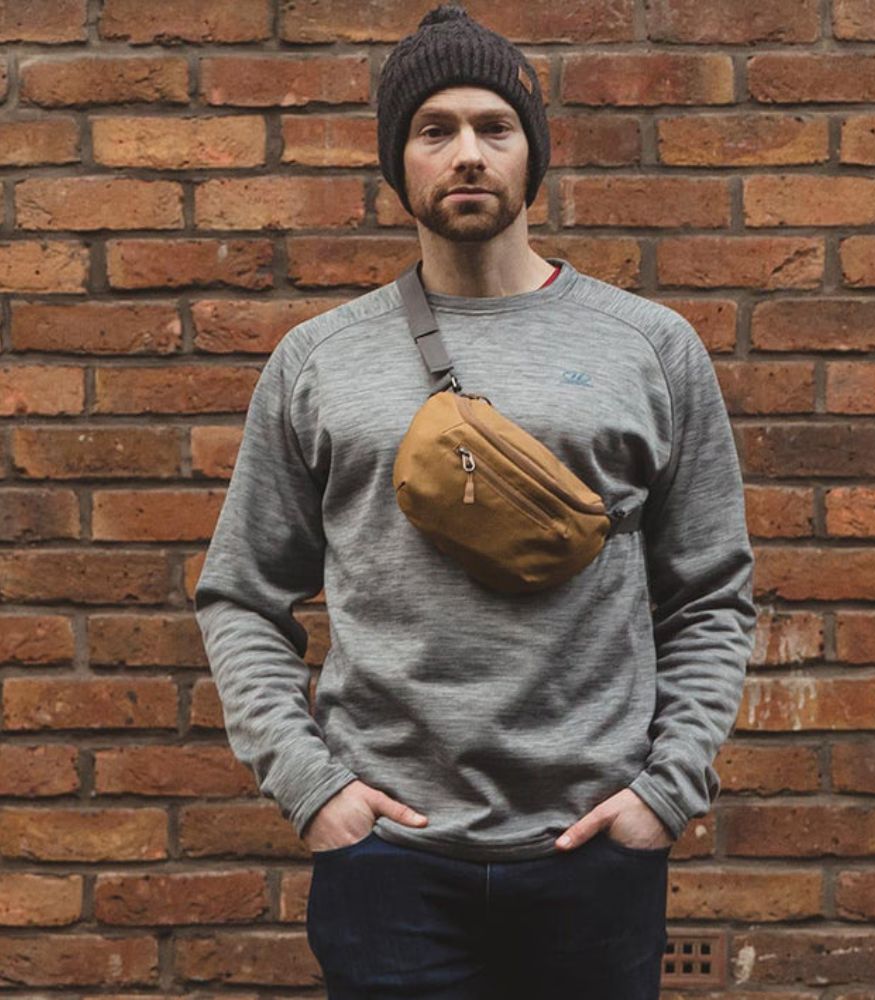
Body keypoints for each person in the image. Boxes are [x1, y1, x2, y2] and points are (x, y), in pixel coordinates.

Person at [194, 4, 757, 998]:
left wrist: (660, 795)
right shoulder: (318, 360)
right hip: (389, 862)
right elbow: (241, 594)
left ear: (531, 155)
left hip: (594, 850)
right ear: (396, 160)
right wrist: (315, 790)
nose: (465, 154)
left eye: (494, 128)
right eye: (433, 129)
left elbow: (709, 595)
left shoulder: (649, 347)